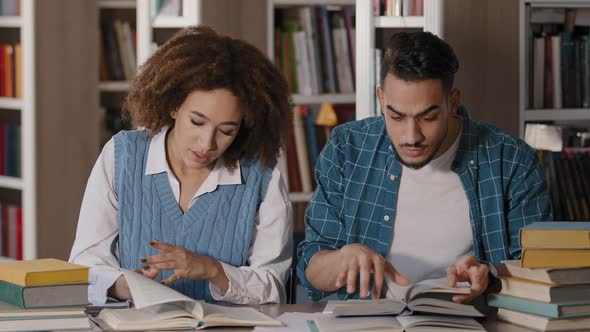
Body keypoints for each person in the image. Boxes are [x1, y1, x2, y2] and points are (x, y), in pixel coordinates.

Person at [297, 31, 552, 302]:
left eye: (428, 117)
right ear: (381, 99)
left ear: (452, 101)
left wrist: (489, 276)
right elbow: (310, 269)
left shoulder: (511, 160)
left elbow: (539, 273)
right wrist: (340, 259)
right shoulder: (347, 148)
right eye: (396, 116)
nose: (411, 136)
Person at [69, 26, 293, 305]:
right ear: (174, 106)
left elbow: (273, 287)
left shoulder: (262, 174)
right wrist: (126, 286)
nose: (207, 143)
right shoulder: (122, 155)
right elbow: (84, 267)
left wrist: (212, 270)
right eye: (197, 122)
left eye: (226, 130)